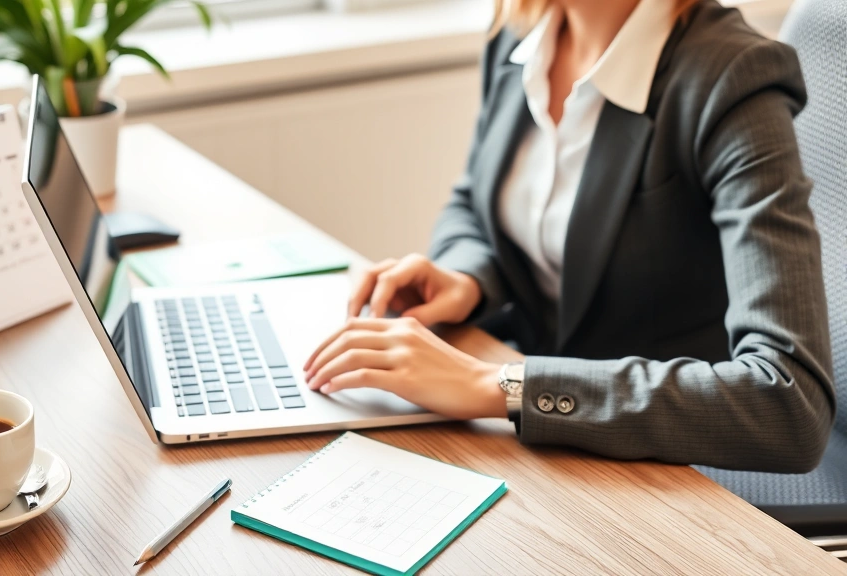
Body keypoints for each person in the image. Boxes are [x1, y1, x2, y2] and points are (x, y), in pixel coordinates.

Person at [304, 0, 835, 473]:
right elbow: (473, 199)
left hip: (664, 470)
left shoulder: (731, 78)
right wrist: (469, 277)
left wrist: (500, 386)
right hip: (529, 449)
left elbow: (788, 404)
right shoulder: (520, 31)